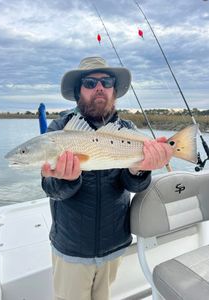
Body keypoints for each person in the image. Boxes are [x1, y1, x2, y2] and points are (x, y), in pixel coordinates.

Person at [41, 56, 173, 300]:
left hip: (115, 242)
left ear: (114, 90)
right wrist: (66, 179)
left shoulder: (129, 131)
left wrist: (140, 169)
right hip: (72, 246)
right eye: (90, 83)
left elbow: (134, 184)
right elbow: (50, 187)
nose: (99, 87)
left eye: (106, 82)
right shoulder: (59, 130)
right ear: (78, 91)